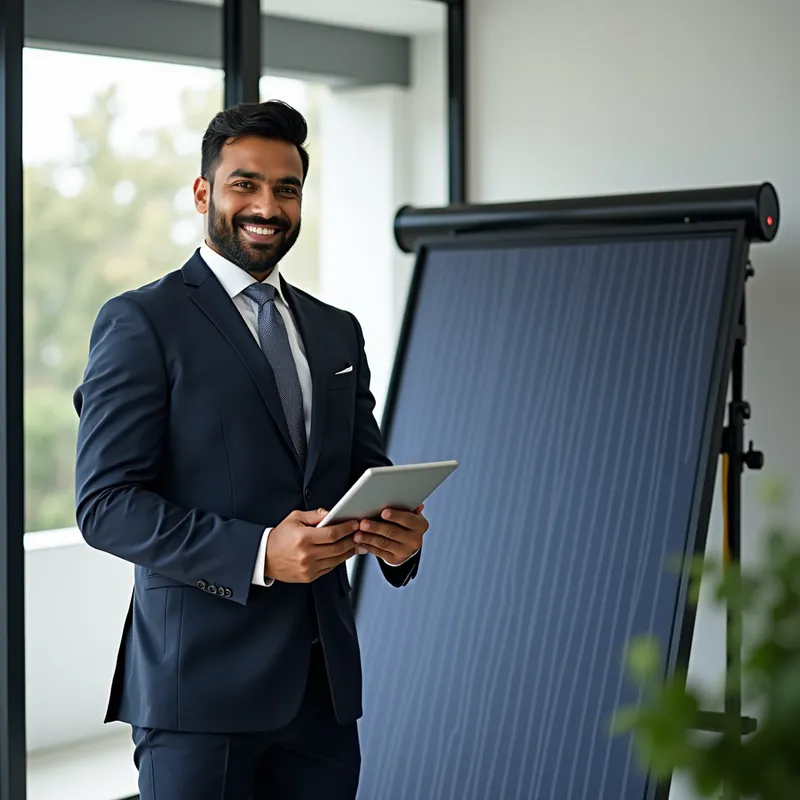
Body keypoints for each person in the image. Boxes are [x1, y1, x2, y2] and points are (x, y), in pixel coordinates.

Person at [73, 99, 428, 799]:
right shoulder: (143, 321)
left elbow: (363, 468)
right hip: (197, 693)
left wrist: (398, 536)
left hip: (322, 694)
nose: (268, 205)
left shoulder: (335, 331)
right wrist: (260, 553)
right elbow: (106, 506)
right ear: (204, 193)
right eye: (245, 184)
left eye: (286, 188)